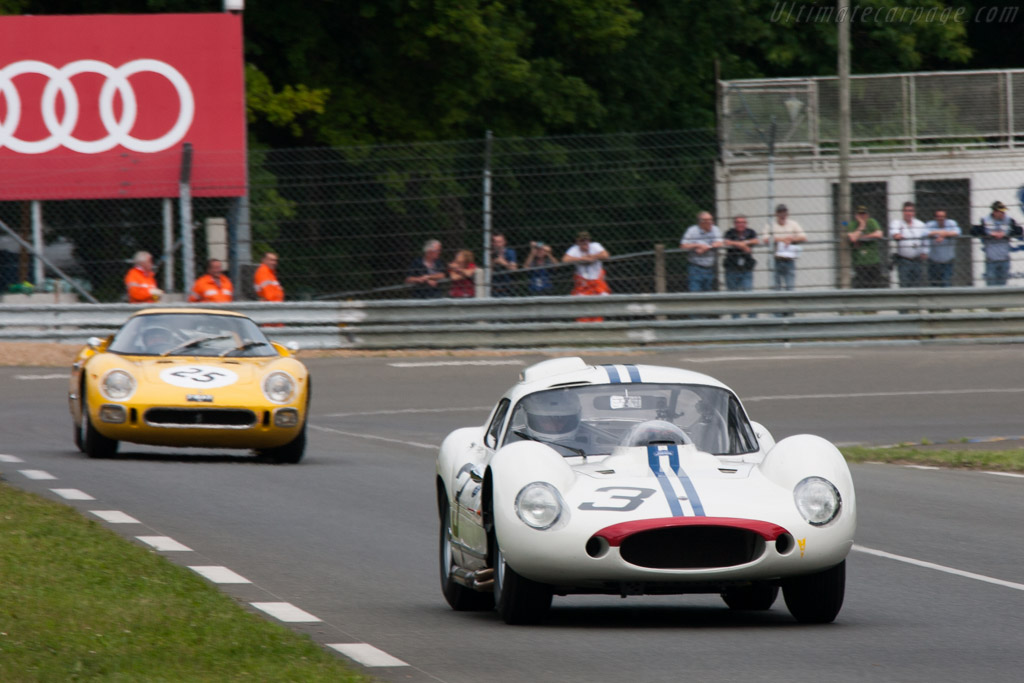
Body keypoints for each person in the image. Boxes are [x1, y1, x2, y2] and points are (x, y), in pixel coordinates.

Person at [971, 201, 1022, 286]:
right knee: (991, 285)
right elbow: (974, 231)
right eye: (1001, 212)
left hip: (1004, 258)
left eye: (1003, 212)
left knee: (1003, 285)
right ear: (995, 212)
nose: (1003, 213)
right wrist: (989, 234)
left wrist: (1005, 234)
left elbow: (1019, 230)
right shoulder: (986, 220)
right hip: (991, 259)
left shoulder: (1009, 220)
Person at [563, 231, 610, 322]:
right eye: (582, 241)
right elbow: (565, 259)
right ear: (577, 242)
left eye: (586, 240)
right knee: (582, 307)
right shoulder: (574, 249)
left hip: (597, 281)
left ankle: (598, 324)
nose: (585, 243)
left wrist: (593, 257)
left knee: (599, 306)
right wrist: (582, 259)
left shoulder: (595, 246)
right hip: (583, 283)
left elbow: (606, 255)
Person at [722, 215, 759, 317]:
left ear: (746, 224)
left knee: (749, 295)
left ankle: (752, 320)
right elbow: (726, 242)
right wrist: (742, 246)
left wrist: (745, 242)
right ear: (735, 224)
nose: (740, 224)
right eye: (738, 222)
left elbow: (756, 240)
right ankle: (736, 321)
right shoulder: (729, 232)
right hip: (731, 269)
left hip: (746, 269)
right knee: (733, 297)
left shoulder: (750, 232)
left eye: (743, 222)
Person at [766, 204, 807, 291]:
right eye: (780, 212)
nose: (782, 215)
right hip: (776, 259)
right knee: (776, 287)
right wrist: (781, 240)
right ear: (776, 214)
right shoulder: (771, 225)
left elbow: (803, 237)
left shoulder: (793, 224)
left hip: (789, 259)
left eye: (784, 212)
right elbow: (765, 239)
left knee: (790, 286)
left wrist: (791, 239)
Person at [681, 211, 724, 292]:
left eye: (711, 220)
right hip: (695, 267)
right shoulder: (692, 230)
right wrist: (697, 245)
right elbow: (683, 245)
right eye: (708, 221)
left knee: (708, 293)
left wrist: (707, 247)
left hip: (710, 268)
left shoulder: (715, 229)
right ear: (701, 222)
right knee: (695, 292)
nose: (711, 222)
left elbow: (720, 243)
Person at [846, 206, 887, 289]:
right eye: (860, 214)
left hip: (873, 262)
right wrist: (862, 226)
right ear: (856, 215)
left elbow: (879, 234)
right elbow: (853, 238)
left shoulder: (872, 222)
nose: (862, 216)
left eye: (864, 214)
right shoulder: (852, 224)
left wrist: (862, 237)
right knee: (862, 287)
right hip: (860, 263)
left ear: (867, 215)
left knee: (876, 287)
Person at [890, 201, 929, 288]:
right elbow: (894, 232)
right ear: (903, 212)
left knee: (918, 284)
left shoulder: (920, 224)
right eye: (906, 210)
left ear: (914, 212)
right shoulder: (897, 223)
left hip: (917, 260)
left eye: (910, 211)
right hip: (904, 260)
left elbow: (925, 240)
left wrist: (925, 252)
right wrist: (897, 235)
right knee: (904, 284)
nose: (908, 213)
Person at [925, 210, 962, 287]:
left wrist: (944, 235)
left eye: (943, 216)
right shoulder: (930, 224)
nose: (941, 218)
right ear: (935, 218)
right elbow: (923, 233)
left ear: (946, 217)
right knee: (934, 284)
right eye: (938, 216)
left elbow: (958, 232)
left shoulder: (951, 223)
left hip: (947, 261)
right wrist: (938, 232)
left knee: (946, 283)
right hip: (934, 261)